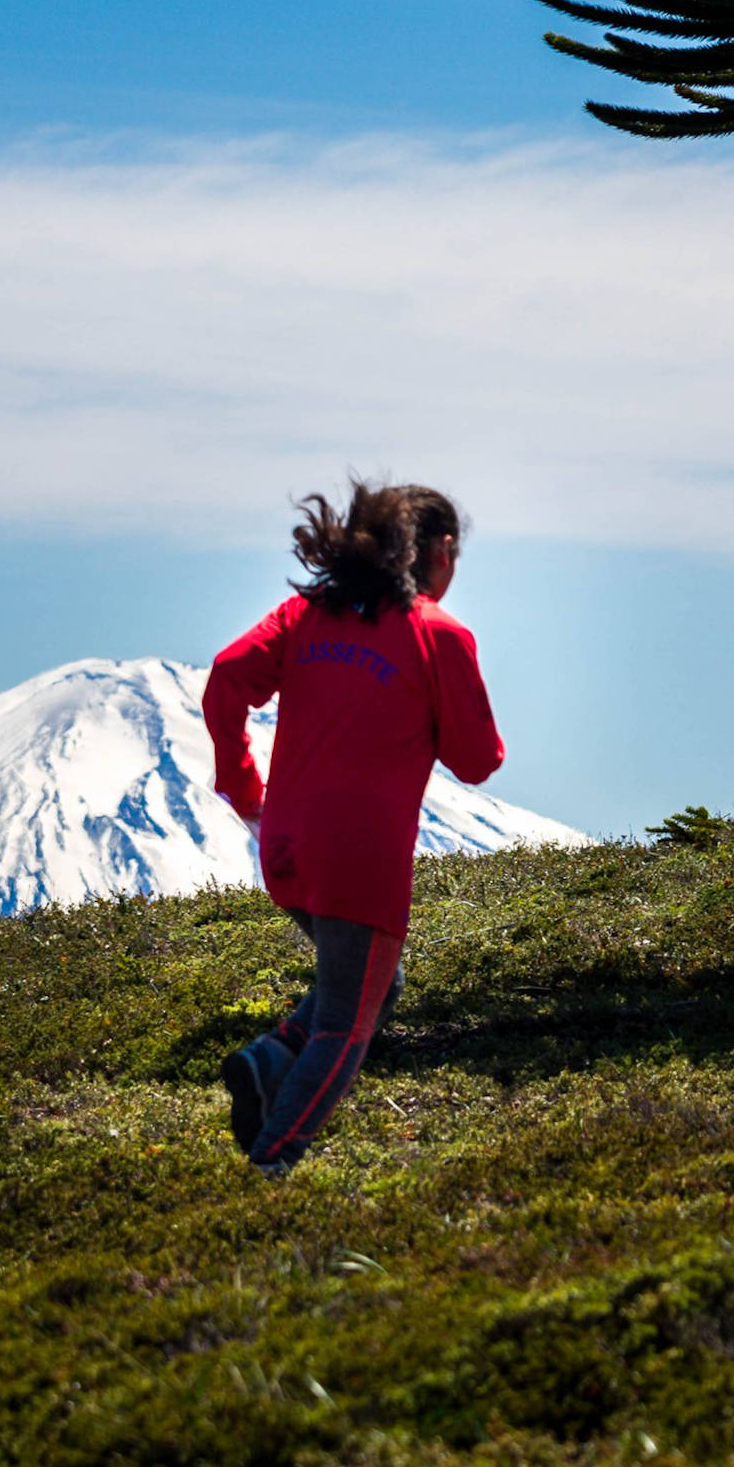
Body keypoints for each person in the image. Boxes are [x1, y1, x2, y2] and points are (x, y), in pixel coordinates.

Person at [202, 480, 504, 1175]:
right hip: (359, 863)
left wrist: (241, 785)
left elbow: (226, 674)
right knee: (346, 1024)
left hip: (283, 849)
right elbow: (476, 761)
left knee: (371, 982)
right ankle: (272, 1166)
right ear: (441, 551)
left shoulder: (305, 614)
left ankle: (267, 1060)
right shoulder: (439, 634)